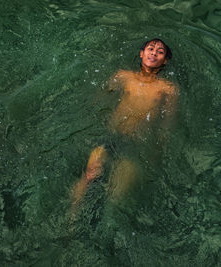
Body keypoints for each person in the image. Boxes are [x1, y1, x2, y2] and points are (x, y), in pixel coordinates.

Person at [71, 38, 178, 212]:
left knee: (116, 195)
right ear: (141, 54)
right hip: (112, 134)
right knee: (89, 175)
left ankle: (103, 227)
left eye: (160, 52)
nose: (154, 52)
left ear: (165, 60)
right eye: (150, 48)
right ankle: (72, 217)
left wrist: (157, 150)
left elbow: (168, 122)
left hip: (135, 144)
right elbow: (99, 98)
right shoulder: (123, 76)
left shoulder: (168, 89)